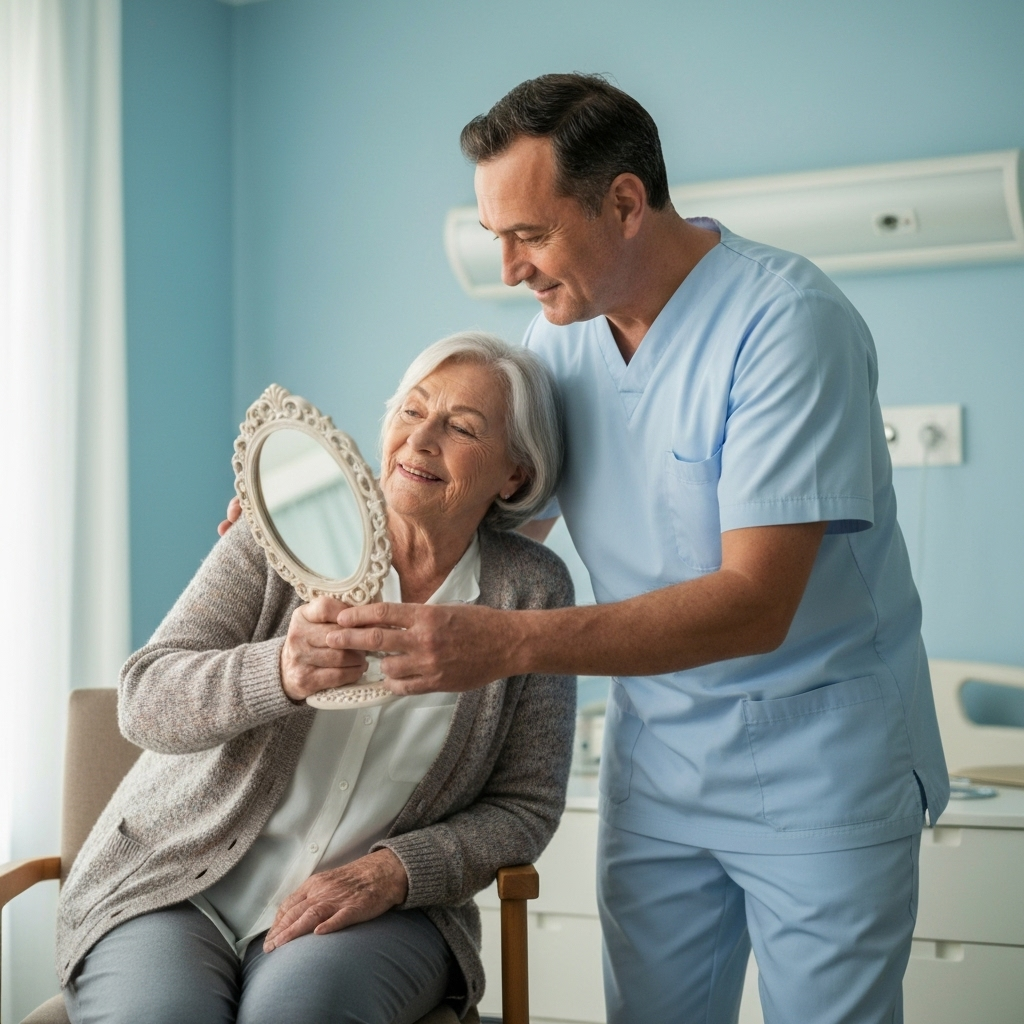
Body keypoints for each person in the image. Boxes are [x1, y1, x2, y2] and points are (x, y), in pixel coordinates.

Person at [327, 75, 949, 1024]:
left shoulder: (787, 325)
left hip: (820, 764)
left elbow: (754, 601)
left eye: (530, 235)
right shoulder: (560, 341)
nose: (510, 271)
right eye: (496, 236)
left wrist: (509, 643)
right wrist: (312, 531)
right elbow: (484, 521)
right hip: (661, 766)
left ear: (623, 202)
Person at [56, 332, 576, 1024]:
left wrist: (395, 871)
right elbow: (147, 699)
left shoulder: (532, 591)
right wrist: (278, 671)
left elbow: (525, 805)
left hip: (375, 914)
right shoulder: (280, 527)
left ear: (513, 475)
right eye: (412, 411)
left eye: (462, 428)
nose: (421, 441)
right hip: (179, 889)